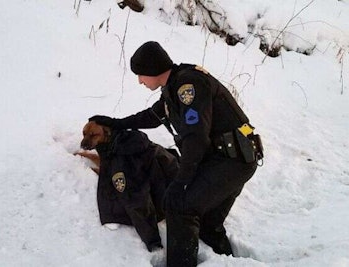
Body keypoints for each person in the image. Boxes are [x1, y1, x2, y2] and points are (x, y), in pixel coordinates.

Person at [90, 41, 262, 266]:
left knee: (180, 205)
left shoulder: (188, 86)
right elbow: (153, 116)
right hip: (230, 158)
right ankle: (224, 260)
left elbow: (196, 139)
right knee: (207, 222)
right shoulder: (175, 86)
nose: (140, 81)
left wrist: (182, 181)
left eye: (141, 75)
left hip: (232, 160)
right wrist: (115, 123)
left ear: (152, 69)